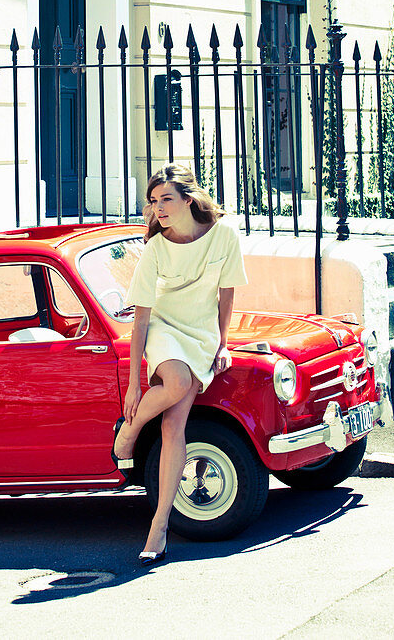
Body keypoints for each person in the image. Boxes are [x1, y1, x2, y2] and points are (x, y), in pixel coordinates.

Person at [112, 163, 247, 565]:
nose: (159, 209)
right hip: (166, 329)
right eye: (153, 202)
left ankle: (159, 525)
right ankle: (130, 429)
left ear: (188, 197)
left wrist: (223, 344)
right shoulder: (155, 248)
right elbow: (141, 318)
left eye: (165, 199)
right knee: (173, 382)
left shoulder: (224, 234)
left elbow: (226, 294)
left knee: (173, 425)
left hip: (202, 333)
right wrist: (136, 384)